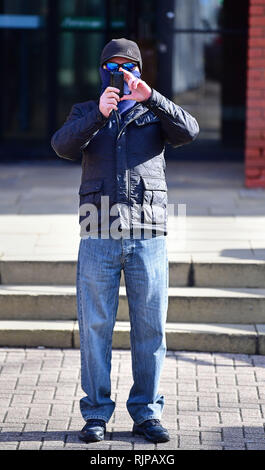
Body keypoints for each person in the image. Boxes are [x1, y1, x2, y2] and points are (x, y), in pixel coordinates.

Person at [51, 38, 199, 444]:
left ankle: (147, 413)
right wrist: (99, 115)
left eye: (127, 66)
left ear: (138, 69)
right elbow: (62, 146)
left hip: (148, 232)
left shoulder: (155, 112)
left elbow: (190, 130)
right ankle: (96, 413)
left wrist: (150, 96)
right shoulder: (86, 111)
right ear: (101, 70)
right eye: (111, 66)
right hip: (98, 231)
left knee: (150, 329)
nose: (119, 72)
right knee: (95, 326)